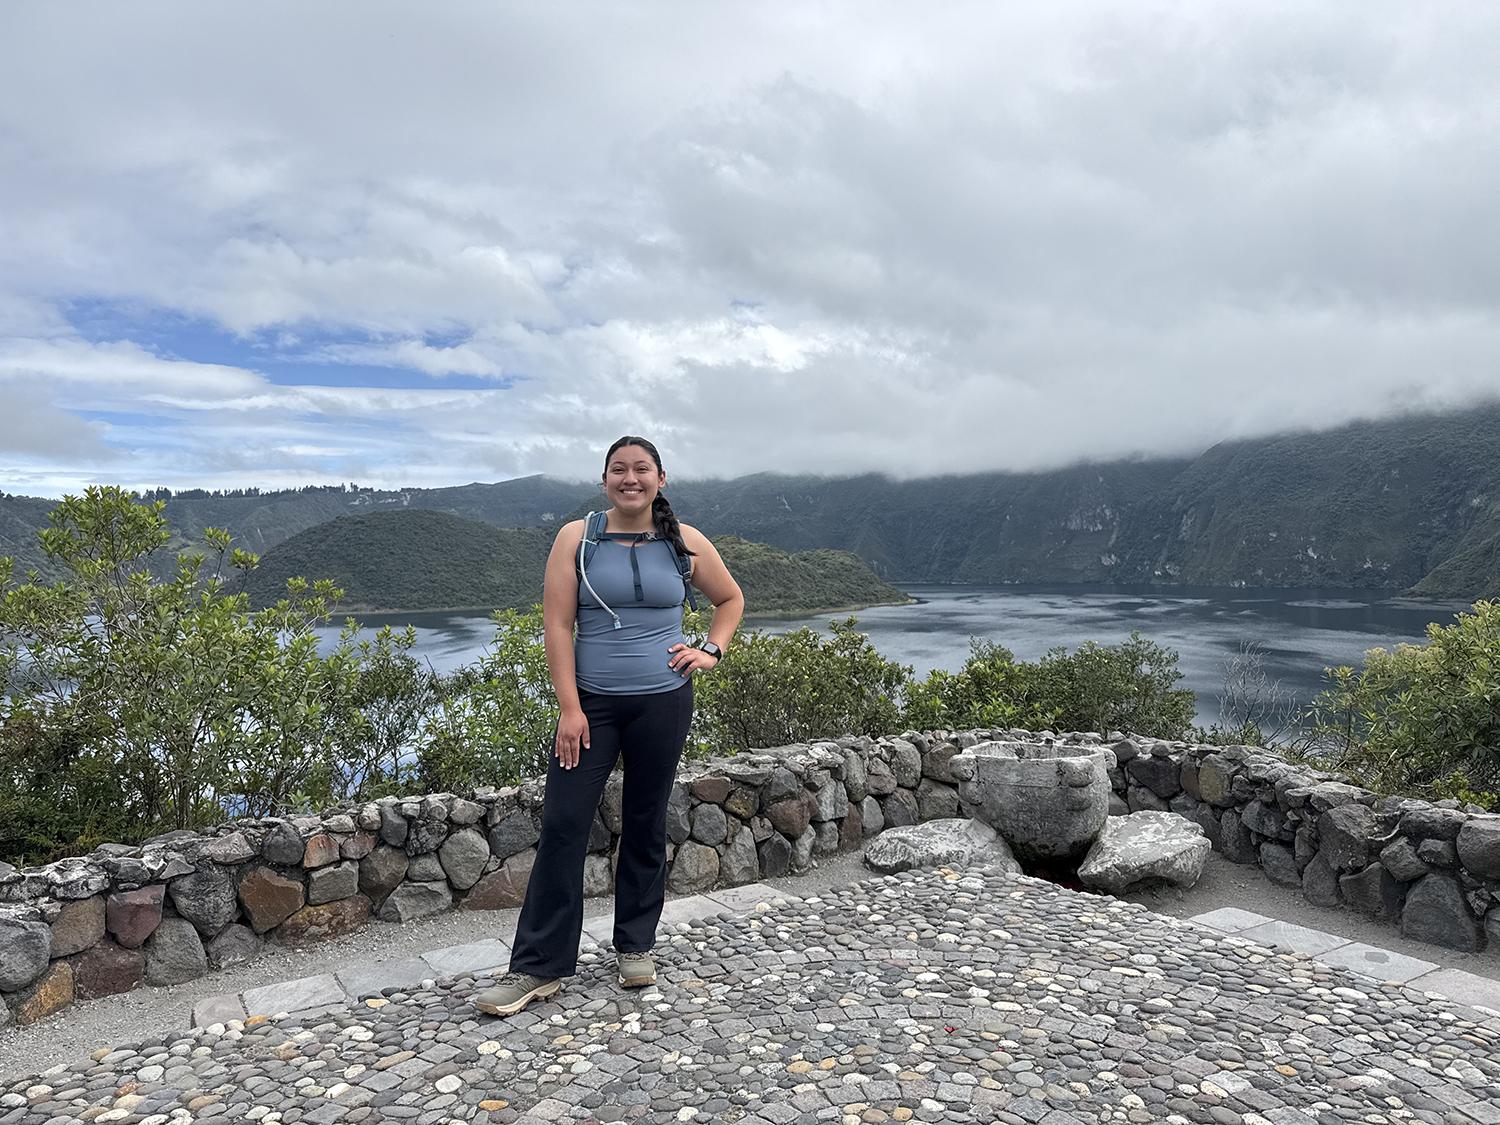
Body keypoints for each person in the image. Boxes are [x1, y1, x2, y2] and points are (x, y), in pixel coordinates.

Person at [474, 435, 744, 1016]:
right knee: (565, 826)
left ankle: (636, 945)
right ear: (605, 481)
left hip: (664, 701)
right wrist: (570, 708)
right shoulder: (577, 538)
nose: (631, 478)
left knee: (646, 823)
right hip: (592, 706)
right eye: (619, 470)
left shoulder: (684, 542)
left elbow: (730, 599)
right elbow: (556, 627)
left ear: (660, 479)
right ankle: (537, 967)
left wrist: (711, 651)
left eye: (641, 469)